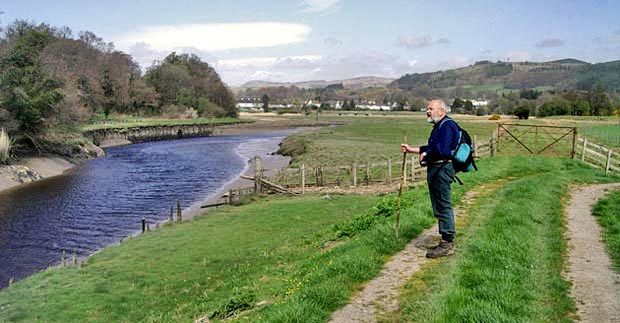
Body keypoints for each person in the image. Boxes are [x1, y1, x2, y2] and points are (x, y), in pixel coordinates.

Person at [401, 99, 459, 258]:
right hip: (437, 169)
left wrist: (427, 155)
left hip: (442, 169)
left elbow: (443, 150)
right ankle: (445, 239)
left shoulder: (447, 126)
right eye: (427, 108)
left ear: (441, 111)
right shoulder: (440, 126)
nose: (427, 111)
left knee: (443, 204)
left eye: (430, 108)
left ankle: (447, 243)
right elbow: (433, 147)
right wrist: (413, 149)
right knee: (440, 204)